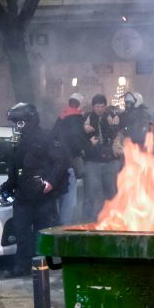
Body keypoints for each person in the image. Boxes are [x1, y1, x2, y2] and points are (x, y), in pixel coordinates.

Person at [1, 102, 68, 276]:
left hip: (42, 195)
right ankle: (22, 266)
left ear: (28, 120)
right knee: (22, 232)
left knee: (44, 231)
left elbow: (60, 162)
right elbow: (16, 167)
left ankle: (45, 266)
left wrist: (50, 183)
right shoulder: (19, 140)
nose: (17, 126)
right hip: (23, 194)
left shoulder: (46, 137)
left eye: (20, 122)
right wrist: (9, 185)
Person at [81, 94, 123, 221]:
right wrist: (84, 131)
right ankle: (89, 221)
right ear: (93, 106)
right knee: (92, 192)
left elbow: (123, 130)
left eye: (103, 106)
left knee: (111, 191)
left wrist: (117, 125)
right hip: (92, 161)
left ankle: (111, 219)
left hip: (110, 161)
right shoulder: (85, 118)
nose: (100, 109)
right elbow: (77, 137)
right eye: (98, 106)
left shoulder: (111, 117)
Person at [54, 93, 86, 225]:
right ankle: (63, 231)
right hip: (69, 165)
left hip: (56, 165)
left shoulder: (61, 117)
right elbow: (76, 142)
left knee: (58, 201)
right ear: (80, 104)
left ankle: (55, 227)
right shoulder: (76, 118)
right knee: (69, 202)